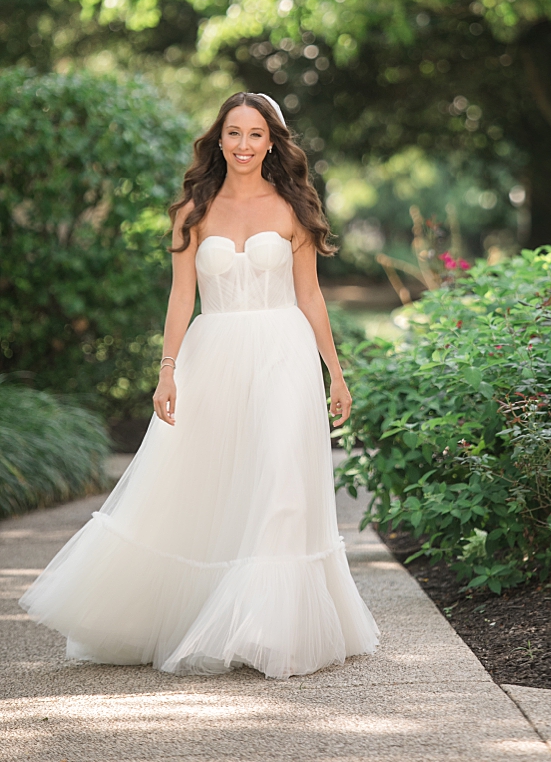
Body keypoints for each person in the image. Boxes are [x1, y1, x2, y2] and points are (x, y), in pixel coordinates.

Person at [20, 92, 380, 677]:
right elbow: (182, 296)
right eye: (233, 133)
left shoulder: (294, 207)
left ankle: (271, 630)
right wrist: (167, 371)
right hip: (212, 355)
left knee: (282, 479)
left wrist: (333, 372)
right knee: (207, 483)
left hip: (283, 353)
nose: (243, 145)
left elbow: (311, 295)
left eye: (255, 134)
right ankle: (200, 612)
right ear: (219, 140)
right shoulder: (193, 209)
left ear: (272, 143)